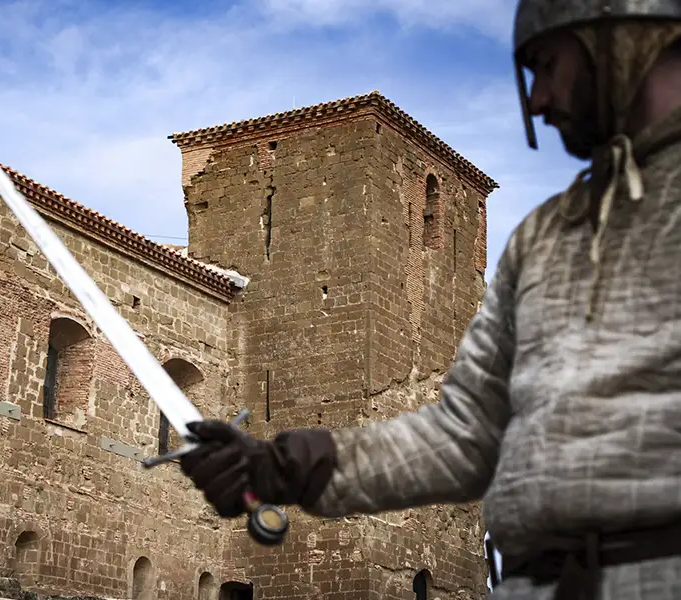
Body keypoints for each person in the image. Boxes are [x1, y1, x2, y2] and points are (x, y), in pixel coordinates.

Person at [178, 1, 681, 598]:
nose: (539, 99)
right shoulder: (550, 238)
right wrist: (280, 465)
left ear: (619, 47)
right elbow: (464, 434)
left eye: (547, 66)